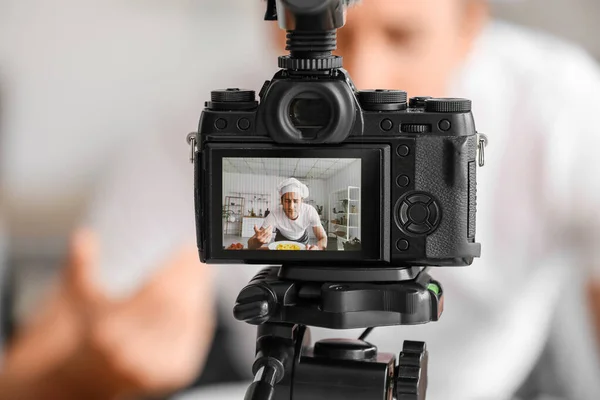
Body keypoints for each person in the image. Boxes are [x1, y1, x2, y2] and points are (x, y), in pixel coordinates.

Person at [2, 0, 600, 399]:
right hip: (269, 366)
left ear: (472, 24)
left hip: (496, 381)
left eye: (401, 35)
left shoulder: (556, 104)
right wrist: (94, 365)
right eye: (340, 39)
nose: (359, 77)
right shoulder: (209, 127)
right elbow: (22, 378)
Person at [248, 178, 327, 250]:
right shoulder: (275, 214)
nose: (291, 207)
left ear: (301, 201)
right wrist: (258, 241)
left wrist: (318, 248)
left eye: (295, 201)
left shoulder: (310, 211)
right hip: (281, 241)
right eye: (287, 201)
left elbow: (323, 238)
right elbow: (250, 245)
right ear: (281, 201)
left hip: (302, 241)